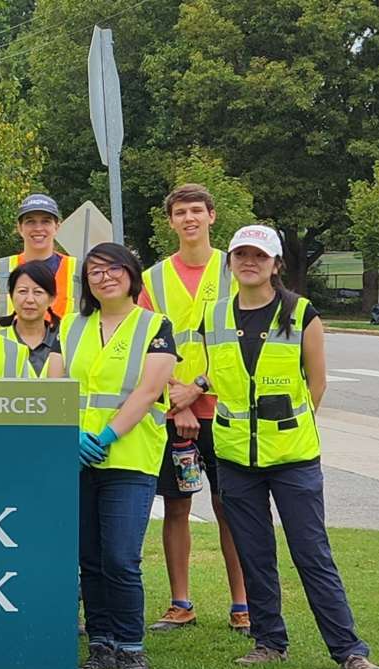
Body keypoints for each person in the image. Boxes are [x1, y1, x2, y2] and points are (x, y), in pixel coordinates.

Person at [190, 225, 379, 669]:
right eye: (241, 255)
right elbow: (218, 376)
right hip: (237, 457)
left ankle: (349, 651)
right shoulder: (215, 316)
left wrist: (288, 429)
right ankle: (269, 642)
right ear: (231, 262)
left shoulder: (301, 313)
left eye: (260, 256)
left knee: (311, 553)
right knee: (255, 553)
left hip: (293, 456)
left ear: (276, 264)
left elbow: (316, 383)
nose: (249, 262)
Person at [64, 243, 177, 669]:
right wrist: (69, 433)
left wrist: (107, 435)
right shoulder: (73, 327)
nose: (105, 277)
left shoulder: (155, 326)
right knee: (88, 557)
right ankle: (100, 645)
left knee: (120, 557)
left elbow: (149, 391)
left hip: (129, 457)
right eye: (94, 271)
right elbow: (56, 384)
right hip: (76, 459)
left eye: (114, 269)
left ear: (131, 274)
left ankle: (131, 647)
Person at [140, 184, 248, 635]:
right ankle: (180, 602)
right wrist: (174, 396)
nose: (189, 219)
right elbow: (145, 341)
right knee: (177, 506)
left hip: (221, 408)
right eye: (180, 212)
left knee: (231, 507)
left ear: (211, 216)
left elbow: (244, 339)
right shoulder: (153, 278)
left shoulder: (234, 270)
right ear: (170, 221)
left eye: (196, 211)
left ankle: (243, 604)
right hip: (172, 410)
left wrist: (198, 388)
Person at [0, 194, 78, 322]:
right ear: (20, 228)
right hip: (6, 341)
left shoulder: (80, 271)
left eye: (46, 221)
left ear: (56, 227)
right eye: (30, 222)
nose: (38, 228)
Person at [0, 262, 65, 378]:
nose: (30, 299)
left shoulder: (64, 342)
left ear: (52, 299)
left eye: (38, 292)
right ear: (11, 296)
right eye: (22, 291)